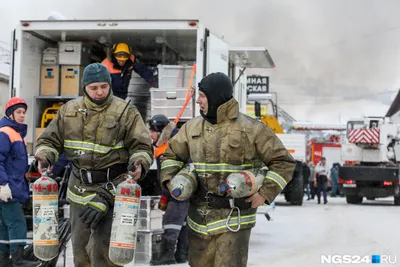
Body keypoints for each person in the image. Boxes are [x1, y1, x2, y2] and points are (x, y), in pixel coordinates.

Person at [160, 72, 296, 267]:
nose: (198, 100)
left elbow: (283, 162)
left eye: (202, 96)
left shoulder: (251, 129)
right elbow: (171, 155)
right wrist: (170, 181)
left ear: (216, 98)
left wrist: (265, 194)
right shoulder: (191, 128)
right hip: (198, 219)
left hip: (234, 220)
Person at [35, 63, 154, 267]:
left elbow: (142, 146)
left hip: (111, 189)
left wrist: (139, 162)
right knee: (81, 253)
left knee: (103, 252)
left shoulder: (126, 112)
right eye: (94, 88)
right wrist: (45, 156)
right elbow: (49, 140)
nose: (100, 92)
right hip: (78, 191)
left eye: (104, 87)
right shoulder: (68, 111)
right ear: (84, 88)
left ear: (109, 85)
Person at [147, 114, 189, 265]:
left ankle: (167, 255)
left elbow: (170, 173)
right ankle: (182, 254)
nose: (150, 135)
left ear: (159, 130)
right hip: (179, 190)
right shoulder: (167, 142)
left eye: (151, 131)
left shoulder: (172, 143)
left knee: (171, 222)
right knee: (182, 223)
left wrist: (166, 194)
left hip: (177, 190)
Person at [0, 97, 37, 267]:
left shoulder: (17, 134)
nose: (22, 115)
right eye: (19, 112)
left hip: (12, 185)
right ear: (10, 114)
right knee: (17, 222)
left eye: (24, 112)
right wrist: (3, 184)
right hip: (8, 187)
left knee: (4, 224)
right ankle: (18, 260)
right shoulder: (6, 132)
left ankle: (3, 259)